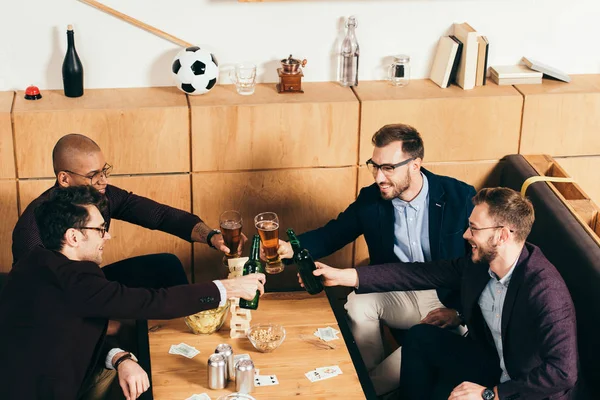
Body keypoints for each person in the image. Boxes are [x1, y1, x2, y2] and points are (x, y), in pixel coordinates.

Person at [300, 187, 578, 400]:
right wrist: (343, 275)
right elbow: (416, 273)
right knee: (421, 336)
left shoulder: (544, 288)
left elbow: (563, 372)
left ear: (503, 235)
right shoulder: (478, 265)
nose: (466, 235)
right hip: (490, 363)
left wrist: (490, 394)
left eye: (474, 228)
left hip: (521, 389)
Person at [0, 185, 265, 400]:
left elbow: (67, 332)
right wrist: (227, 288)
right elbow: (149, 302)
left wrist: (120, 357)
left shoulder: (34, 261)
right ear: (73, 237)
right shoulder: (75, 277)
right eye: (100, 229)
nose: (107, 237)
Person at [277, 123, 476, 395]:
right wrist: (291, 248)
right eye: (375, 166)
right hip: (401, 290)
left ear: (415, 165)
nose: (379, 177)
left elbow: (480, 267)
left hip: (449, 299)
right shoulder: (372, 199)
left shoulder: (459, 196)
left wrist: (460, 313)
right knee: (357, 304)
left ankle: (363, 389)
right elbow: (333, 233)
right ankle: (369, 382)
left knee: (392, 371)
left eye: (388, 168)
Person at [12, 133, 242, 289]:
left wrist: (211, 236)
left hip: (92, 282)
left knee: (166, 265)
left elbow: (160, 215)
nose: (103, 181)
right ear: (64, 178)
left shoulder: (104, 195)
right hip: (59, 300)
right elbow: (34, 295)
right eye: (93, 175)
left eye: (104, 171)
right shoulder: (31, 227)